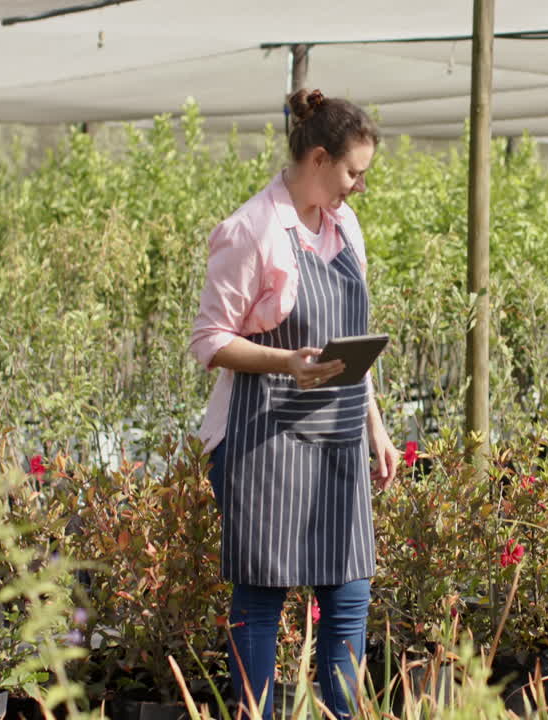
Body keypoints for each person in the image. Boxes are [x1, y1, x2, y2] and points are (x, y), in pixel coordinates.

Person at [188, 88, 400, 720]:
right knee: (260, 600)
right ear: (316, 158)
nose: (358, 187)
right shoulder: (253, 229)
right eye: (352, 173)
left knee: (349, 595)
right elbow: (208, 340)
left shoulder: (345, 227)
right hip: (262, 443)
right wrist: (286, 361)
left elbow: (351, 349)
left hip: (337, 439)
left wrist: (377, 430)